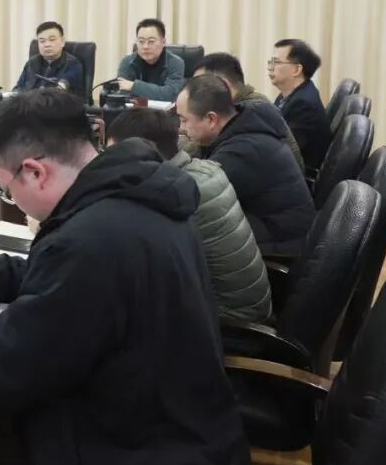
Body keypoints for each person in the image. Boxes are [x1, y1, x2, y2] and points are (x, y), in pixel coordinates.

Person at [0, 89, 251, 465]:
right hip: (175, 432)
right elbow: (97, 283)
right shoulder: (139, 196)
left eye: (7, 190)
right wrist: (1, 275)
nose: (12, 199)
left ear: (34, 172)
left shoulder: (89, 241)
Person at [108, 108, 272, 322]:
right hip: (246, 303)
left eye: (113, 155)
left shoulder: (176, 194)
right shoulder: (203, 170)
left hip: (230, 320)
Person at [177, 75, 315, 258]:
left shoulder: (241, 152)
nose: (181, 128)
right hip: (277, 228)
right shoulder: (244, 125)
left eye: (184, 120)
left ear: (211, 119)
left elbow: (191, 197)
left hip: (281, 245)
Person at [190, 52, 305, 172]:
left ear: (224, 86)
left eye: (198, 88)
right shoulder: (251, 103)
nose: (193, 95)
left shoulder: (249, 113)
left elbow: (203, 153)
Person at [269, 39, 333, 173]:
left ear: (296, 69)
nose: (270, 67)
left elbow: (282, 152)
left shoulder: (304, 105)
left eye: (276, 62)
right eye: (271, 62)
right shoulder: (290, 95)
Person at [116, 18, 185, 102]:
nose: (145, 46)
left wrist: (134, 86)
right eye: (141, 41)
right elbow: (123, 96)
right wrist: (159, 92)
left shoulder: (175, 63)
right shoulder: (127, 62)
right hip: (135, 109)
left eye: (151, 41)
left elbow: (170, 95)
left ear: (163, 42)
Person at [13, 21, 84, 95]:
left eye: (52, 40)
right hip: (27, 100)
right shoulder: (32, 63)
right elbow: (18, 88)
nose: (47, 45)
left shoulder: (73, 64)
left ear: (62, 42)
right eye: (42, 41)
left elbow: (62, 87)